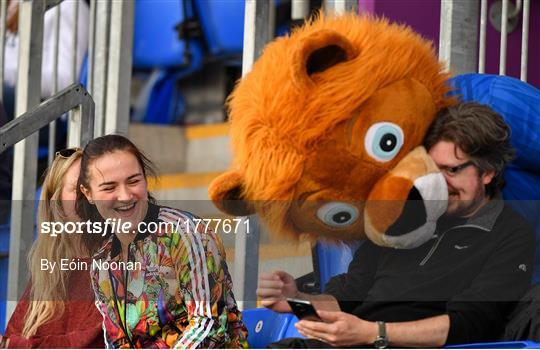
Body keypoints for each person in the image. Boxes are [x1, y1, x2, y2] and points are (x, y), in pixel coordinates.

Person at [257, 102, 535, 348]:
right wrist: (295, 301)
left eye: (452, 170)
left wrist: (371, 333)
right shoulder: (402, 214)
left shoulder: (510, 234)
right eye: (432, 167)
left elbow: (471, 324)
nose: (437, 182)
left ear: (488, 172)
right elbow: (350, 296)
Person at [76, 134, 248, 348]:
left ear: (145, 179)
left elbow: (209, 325)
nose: (125, 195)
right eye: (109, 188)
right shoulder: (101, 260)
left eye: (133, 181)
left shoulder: (185, 233)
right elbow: (116, 340)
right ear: (88, 193)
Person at [0, 148, 105, 348]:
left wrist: (9, 345)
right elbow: (14, 333)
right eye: (78, 189)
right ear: (57, 204)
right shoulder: (50, 270)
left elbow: (94, 341)